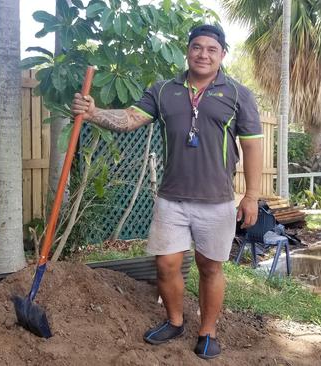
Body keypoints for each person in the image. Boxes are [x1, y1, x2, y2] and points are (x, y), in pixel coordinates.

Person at [71, 24, 263, 359]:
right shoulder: (164, 90)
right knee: (166, 265)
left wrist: (251, 195)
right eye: (197, 47)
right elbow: (130, 118)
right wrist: (94, 113)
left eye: (211, 49)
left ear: (222, 55)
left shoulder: (237, 94)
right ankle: (174, 321)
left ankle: (207, 332)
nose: (203, 54)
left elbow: (253, 147)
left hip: (216, 201)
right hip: (171, 198)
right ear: (187, 50)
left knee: (209, 267)